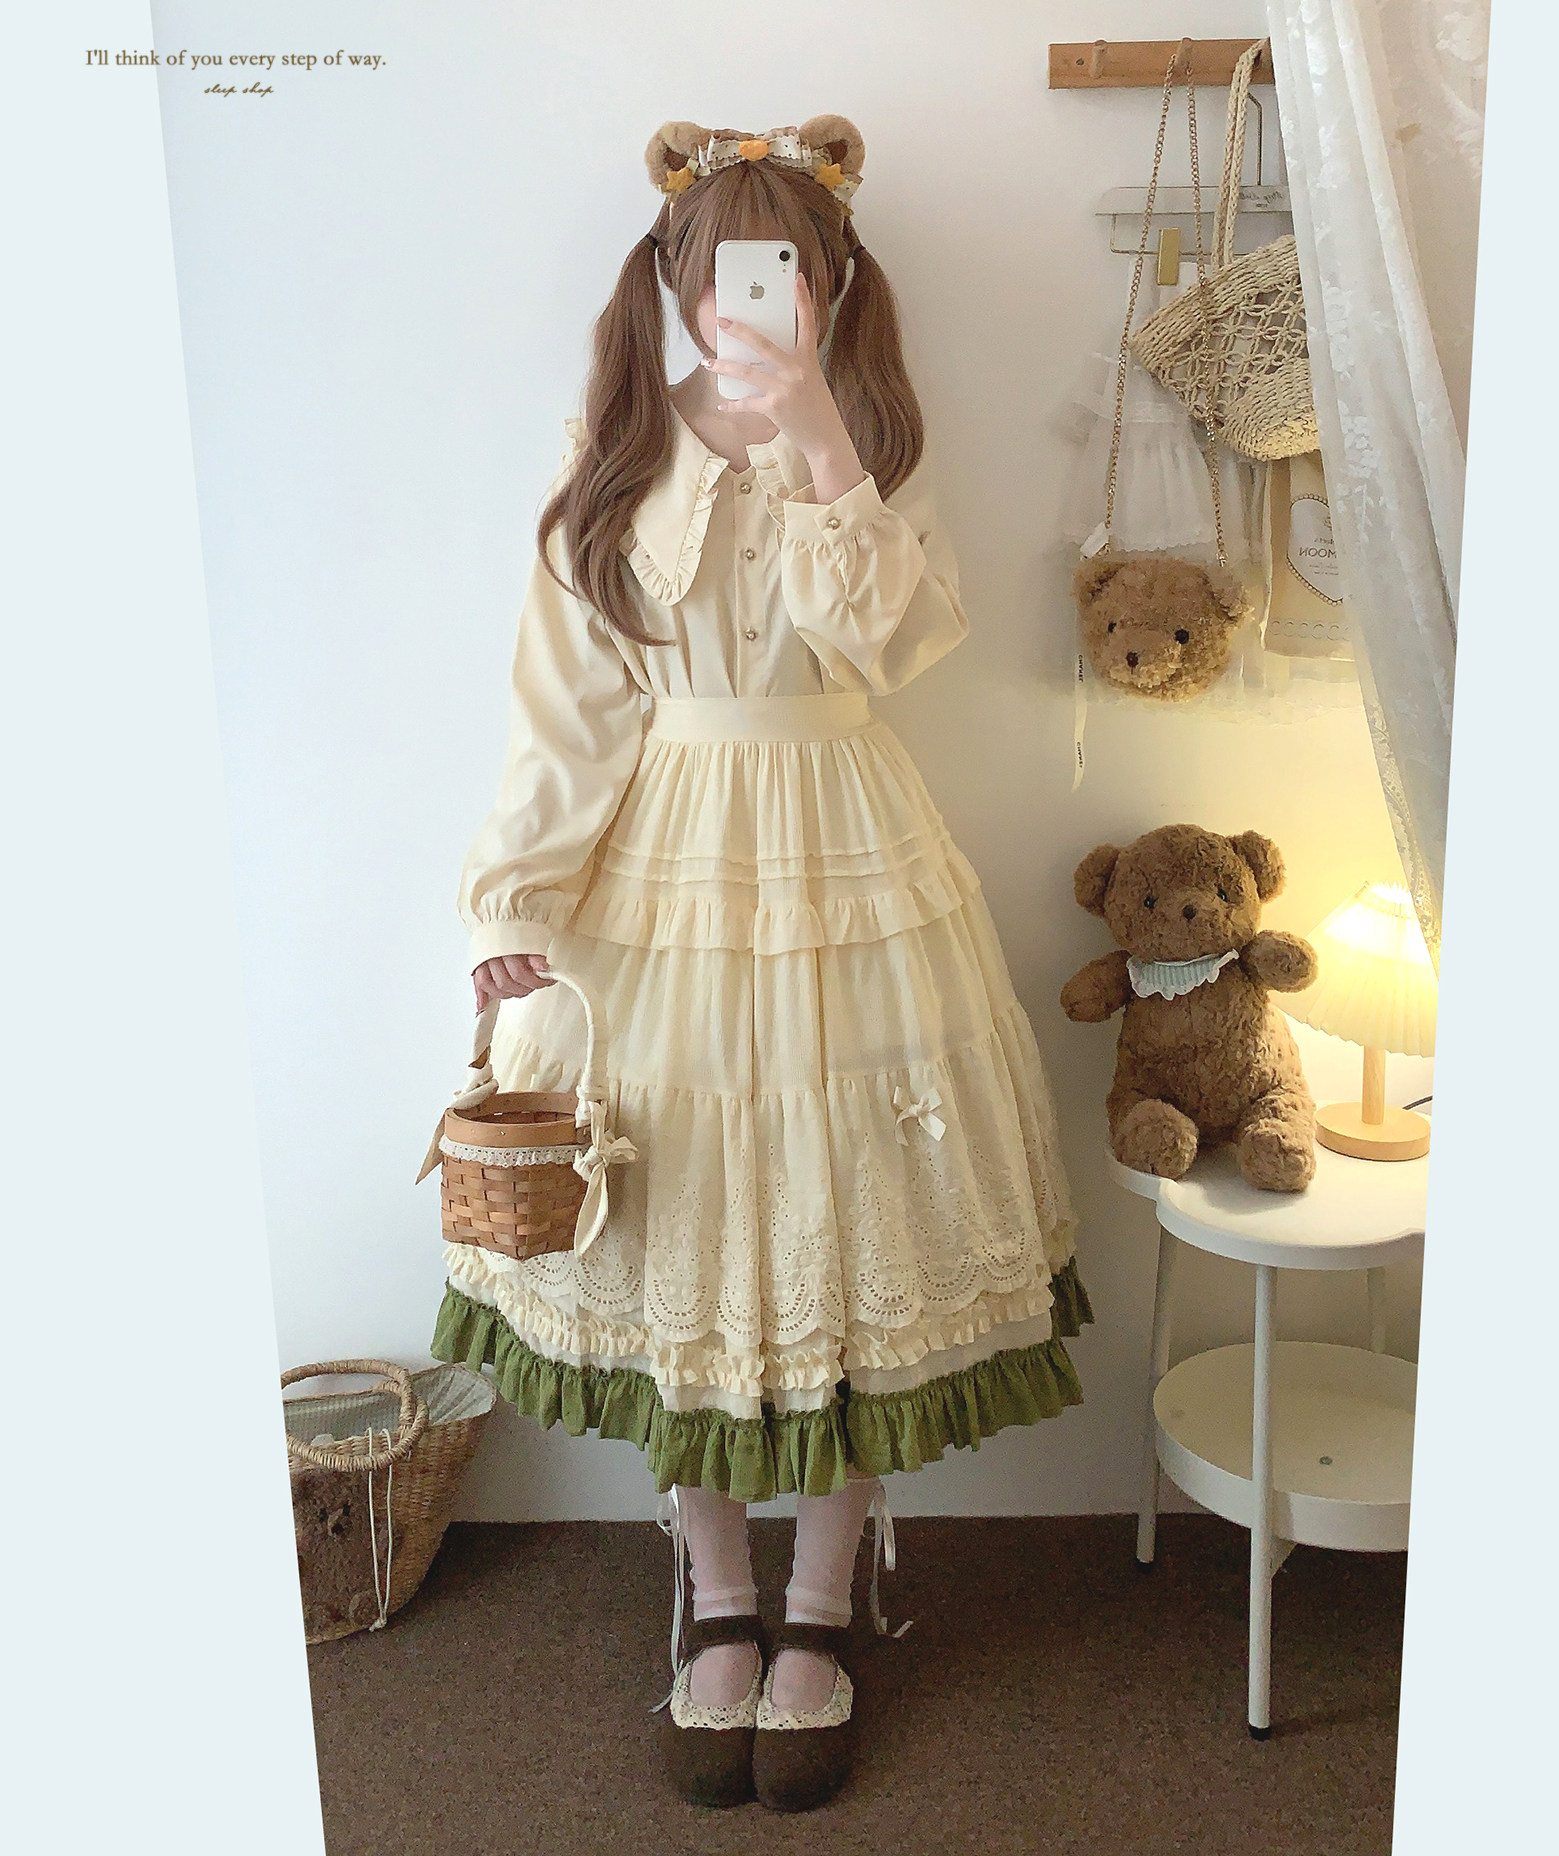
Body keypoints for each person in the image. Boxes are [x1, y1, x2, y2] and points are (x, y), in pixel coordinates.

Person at [433, 116, 1090, 1814]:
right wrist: (514, 906)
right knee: (683, 1220)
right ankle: (718, 1591)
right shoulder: (616, 455)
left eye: (788, 263)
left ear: (833, 279)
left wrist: (816, 437)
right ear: (673, 277)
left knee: (854, 1217)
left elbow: (895, 641)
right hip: (660, 872)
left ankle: (824, 1603)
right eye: (724, 264)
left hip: (848, 851)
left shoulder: (873, 442)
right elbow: (564, 710)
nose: (755, 291)